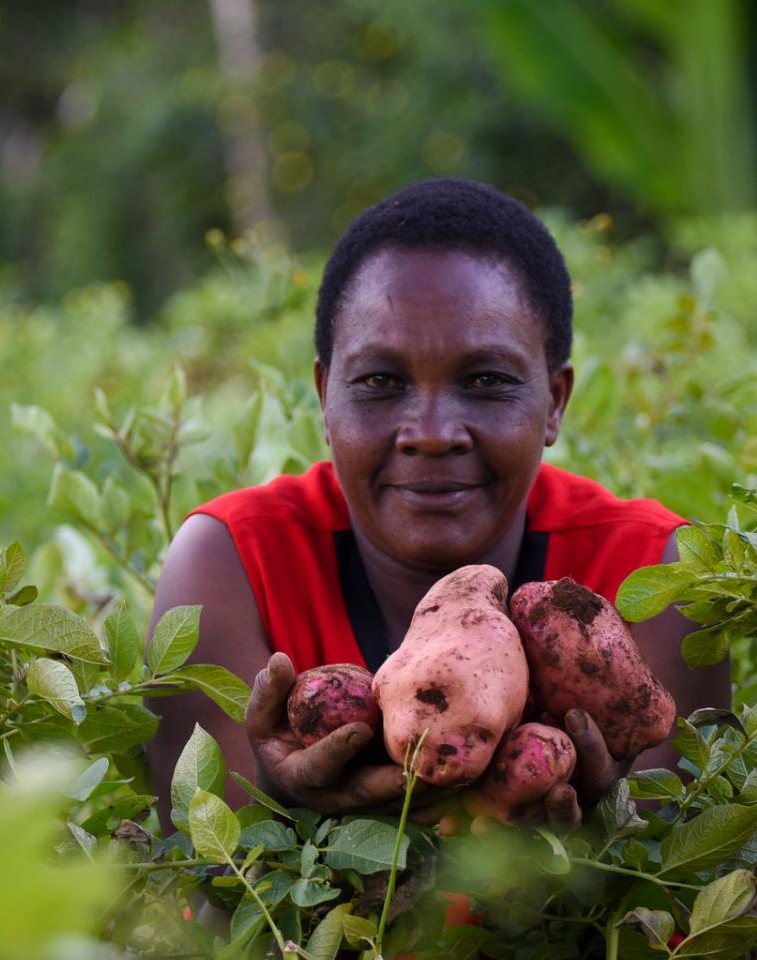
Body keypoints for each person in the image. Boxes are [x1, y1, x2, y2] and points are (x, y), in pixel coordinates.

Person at [145, 178, 727, 830]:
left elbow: (678, 892)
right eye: (380, 382)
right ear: (323, 398)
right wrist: (281, 810)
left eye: (487, 382)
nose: (430, 433)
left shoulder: (652, 570)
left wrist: (600, 842)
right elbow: (207, 902)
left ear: (555, 401)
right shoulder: (231, 563)